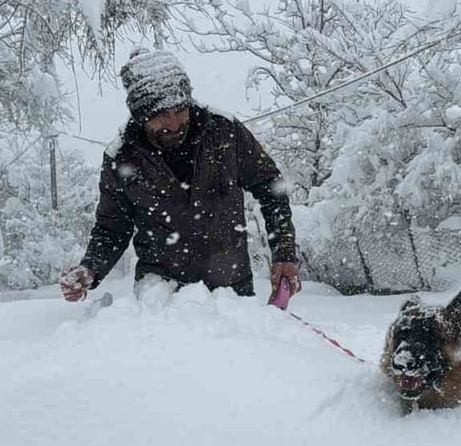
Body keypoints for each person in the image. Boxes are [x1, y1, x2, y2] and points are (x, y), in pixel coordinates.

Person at [59, 48, 300, 302]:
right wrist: (90, 269)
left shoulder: (223, 132)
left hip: (230, 294)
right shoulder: (121, 158)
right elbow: (112, 228)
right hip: (160, 299)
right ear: (141, 115)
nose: (174, 124)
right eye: (161, 114)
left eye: (180, 110)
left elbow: (271, 188)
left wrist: (284, 254)